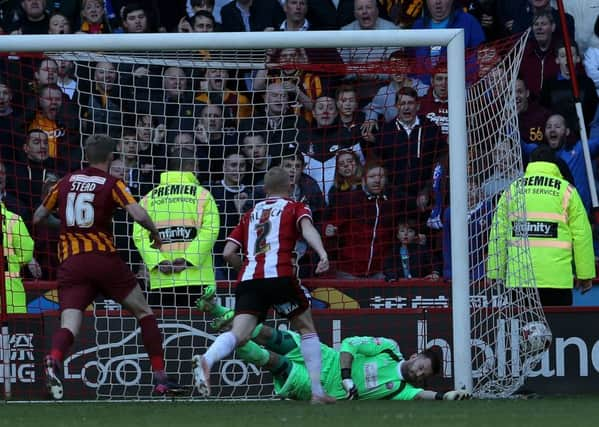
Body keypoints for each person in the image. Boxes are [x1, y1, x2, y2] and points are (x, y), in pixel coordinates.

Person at [32, 134, 183, 399]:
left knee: (70, 323)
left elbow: (38, 217)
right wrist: (156, 234)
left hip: (71, 262)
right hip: (103, 259)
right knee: (144, 312)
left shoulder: (65, 182)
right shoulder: (112, 183)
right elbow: (137, 213)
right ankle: (160, 379)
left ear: (86, 156)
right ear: (111, 157)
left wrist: (66, 227)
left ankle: (54, 358)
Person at [192, 166, 335, 404]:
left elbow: (228, 253)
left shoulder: (249, 214)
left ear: (265, 190)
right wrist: (322, 254)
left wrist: (248, 270)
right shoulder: (295, 206)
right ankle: (317, 392)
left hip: (249, 281)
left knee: (239, 334)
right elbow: (308, 229)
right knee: (306, 329)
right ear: (290, 187)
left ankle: (207, 359)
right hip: (280, 277)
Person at [230, 323, 471, 401]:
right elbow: (350, 343)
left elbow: (420, 395)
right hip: (328, 359)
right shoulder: (389, 349)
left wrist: (444, 396)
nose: (419, 374)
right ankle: (223, 315)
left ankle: (231, 339)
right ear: (414, 357)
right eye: (420, 368)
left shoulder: (401, 389)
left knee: (273, 361)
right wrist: (346, 375)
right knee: (275, 337)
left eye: (423, 376)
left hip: (325, 390)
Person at [132, 147, 233, 327]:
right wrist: (188, 260)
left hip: (162, 280)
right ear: (191, 166)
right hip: (197, 279)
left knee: (165, 331)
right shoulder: (202, 195)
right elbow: (210, 231)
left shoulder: (148, 198)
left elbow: (139, 236)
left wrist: (157, 261)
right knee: (199, 333)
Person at [487, 145, 595, 306]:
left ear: (530, 163)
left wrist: (495, 272)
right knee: (558, 330)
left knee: (525, 330)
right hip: (557, 280)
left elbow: (498, 233)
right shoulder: (567, 191)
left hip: (520, 279)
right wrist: (585, 275)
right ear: (555, 164)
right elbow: (582, 235)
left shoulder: (512, 189)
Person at [1, 195, 42, 314]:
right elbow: (27, 253)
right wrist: (13, 262)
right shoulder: (13, 219)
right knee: (13, 330)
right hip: (10, 294)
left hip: (9, 292)